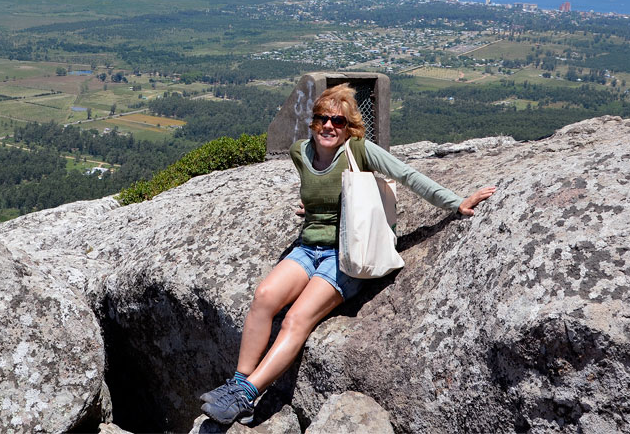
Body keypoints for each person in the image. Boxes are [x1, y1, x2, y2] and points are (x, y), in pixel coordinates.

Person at [199, 84, 497, 426]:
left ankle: (247, 395)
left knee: (297, 319)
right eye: (322, 118)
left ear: (349, 127)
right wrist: (312, 206)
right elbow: (315, 191)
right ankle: (238, 383)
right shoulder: (301, 152)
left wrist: (455, 202)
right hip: (307, 248)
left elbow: (406, 174)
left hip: (346, 255)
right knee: (264, 296)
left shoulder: (359, 150)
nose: (329, 126)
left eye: (338, 121)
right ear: (312, 123)